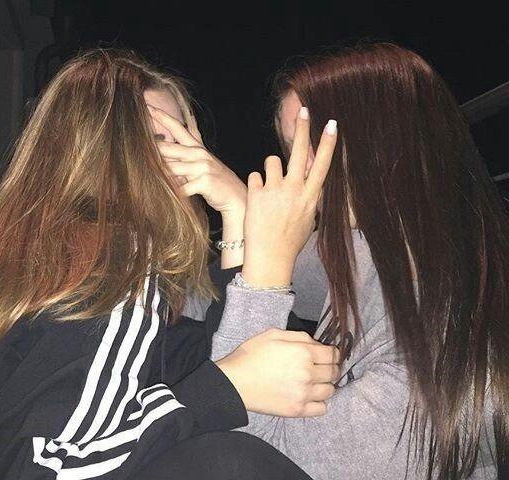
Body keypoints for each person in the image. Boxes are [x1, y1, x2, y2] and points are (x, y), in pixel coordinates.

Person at [0, 48, 340, 480]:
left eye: (188, 139)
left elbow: (205, 358)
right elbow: (47, 469)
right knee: (232, 462)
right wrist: (227, 386)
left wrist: (237, 216)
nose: (195, 161)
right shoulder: (112, 266)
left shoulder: (24, 254)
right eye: (164, 139)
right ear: (107, 148)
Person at [203, 42, 508, 480]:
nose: (298, 169)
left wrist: (265, 273)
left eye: (314, 140)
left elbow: (240, 456)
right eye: (293, 146)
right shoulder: (371, 248)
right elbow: (224, 284)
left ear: (385, 137)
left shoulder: (444, 351)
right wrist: (238, 211)